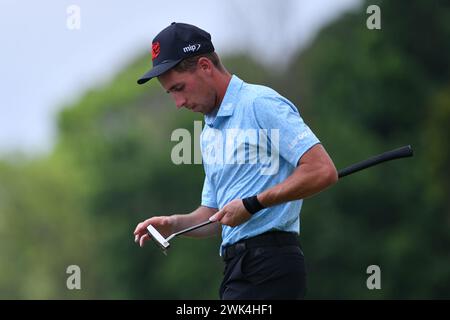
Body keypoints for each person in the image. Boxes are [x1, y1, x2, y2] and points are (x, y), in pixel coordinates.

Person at [133, 22, 338, 300]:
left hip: (272, 263)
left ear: (205, 66)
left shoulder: (259, 103)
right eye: (171, 93)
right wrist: (175, 224)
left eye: (180, 88)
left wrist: (253, 203)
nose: (178, 102)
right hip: (237, 268)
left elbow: (322, 170)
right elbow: (215, 217)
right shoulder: (208, 132)